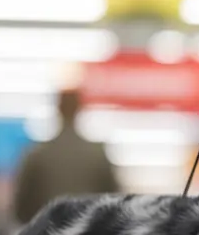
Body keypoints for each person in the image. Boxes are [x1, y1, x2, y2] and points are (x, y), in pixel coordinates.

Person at [10, 88, 121, 225]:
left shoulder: (37, 154)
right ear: (79, 109)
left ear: (58, 108)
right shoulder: (98, 154)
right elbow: (115, 204)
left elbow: (21, 208)